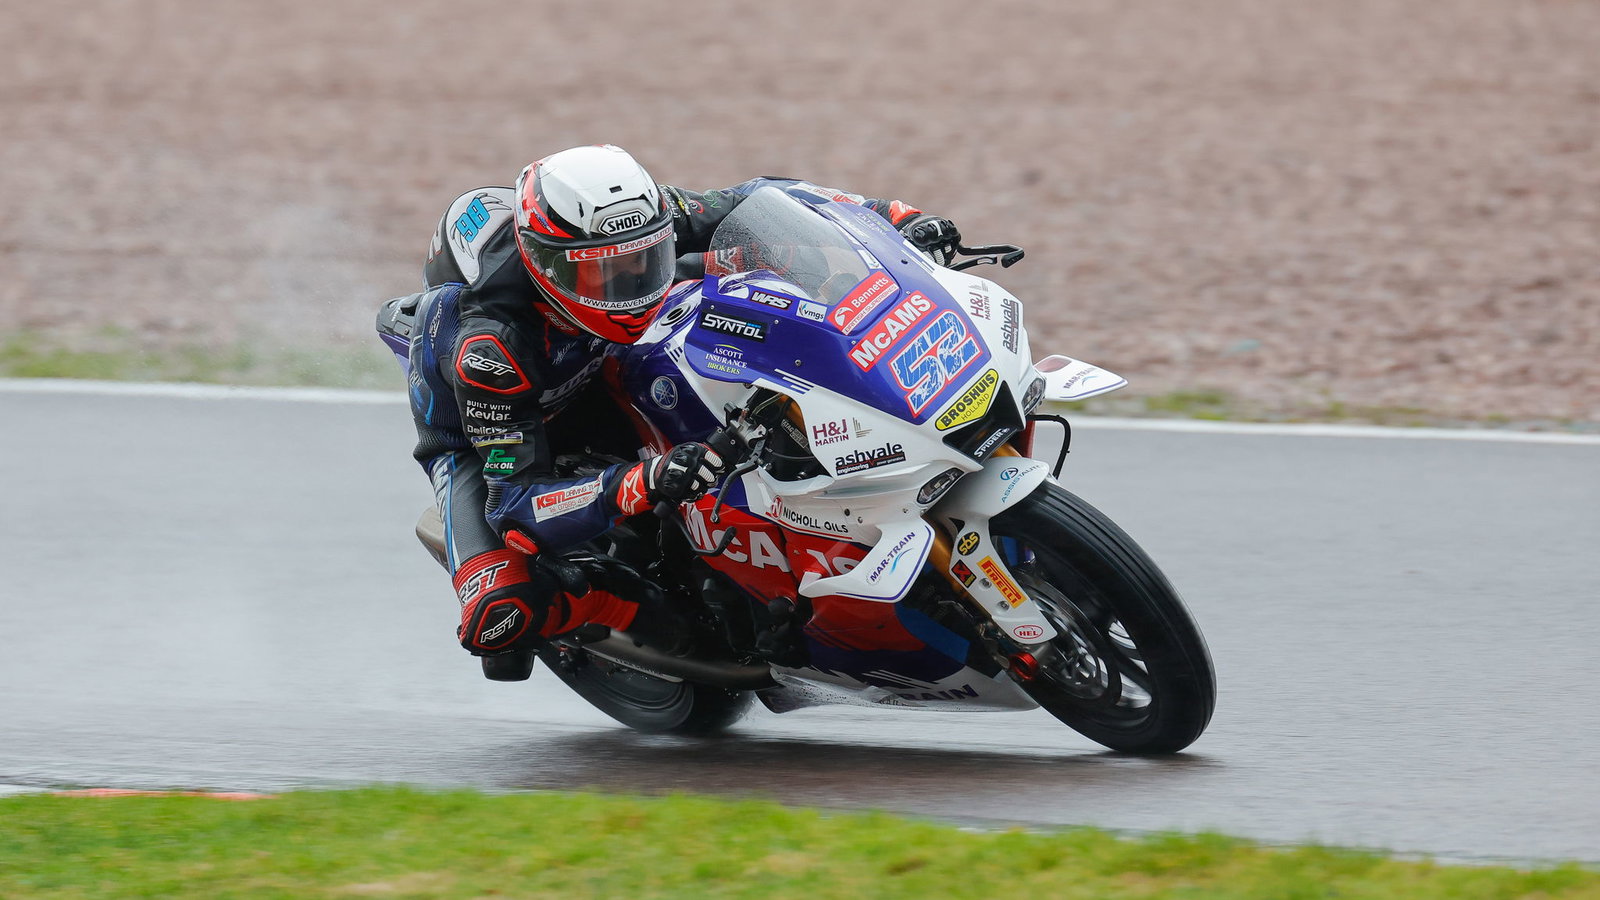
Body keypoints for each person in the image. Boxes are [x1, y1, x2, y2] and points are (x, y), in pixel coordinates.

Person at [377, 144, 962, 681]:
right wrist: (646, 480)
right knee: (502, 612)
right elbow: (516, 504)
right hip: (493, 434)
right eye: (603, 273)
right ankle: (624, 616)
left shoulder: (640, 220)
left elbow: (764, 199)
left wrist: (894, 219)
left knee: (759, 269)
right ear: (547, 267)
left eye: (646, 259)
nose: (630, 283)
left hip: (600, 356)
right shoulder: (490, 349)